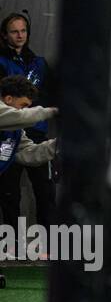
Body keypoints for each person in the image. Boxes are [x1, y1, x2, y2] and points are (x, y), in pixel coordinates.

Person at [0, 14, 54, 229]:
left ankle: (48, 244)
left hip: (32, 133)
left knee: (46, 191)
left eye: (23, 31)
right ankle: (12, 245)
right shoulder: (1, 62)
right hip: (7, 132)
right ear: (5, 35)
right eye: (14, 31)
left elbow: (48, 94)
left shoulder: (38, 63)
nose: (20, 35)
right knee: (9, 194)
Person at [0, 75, 58, 232]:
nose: (24, 110)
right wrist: (53, 112)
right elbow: (19, 116)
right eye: (23, 105)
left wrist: (58, 145)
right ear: (8, 99)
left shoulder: (16, 132)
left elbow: (29, 153)